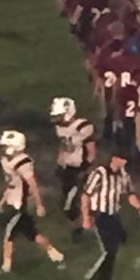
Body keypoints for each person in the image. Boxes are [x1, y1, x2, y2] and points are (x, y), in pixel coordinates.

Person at [0, 130, 64, 275]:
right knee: (33, 234)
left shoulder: (22, 162)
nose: (2, 148)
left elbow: (32, 184)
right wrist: (3, 199)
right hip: (15, 200)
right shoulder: (7, 160)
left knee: (9, 234)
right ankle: (57, 256)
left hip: (22, 204)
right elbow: (11, 183)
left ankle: (6, 267)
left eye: (5, 145)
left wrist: (39, 204)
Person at [81, 149, 140, 280]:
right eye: (122, 159)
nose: (125, 163)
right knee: (108, 250)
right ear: (114, 158)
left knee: (116, 247)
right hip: (100, 215)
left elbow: (130, 194)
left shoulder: (124, 175)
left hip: (113, 215)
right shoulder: (100, 173)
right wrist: (86, 216)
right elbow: (86, 195)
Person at [49, 96, 96, 241]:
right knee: (67, 203)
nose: (57, 119)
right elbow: (63, 146)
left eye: (59, 115)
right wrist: (59, 162)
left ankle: (83, 227)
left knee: (71, 203)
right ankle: (81, 225)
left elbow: (91, 150)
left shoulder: (83, 126)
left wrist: (86, 168)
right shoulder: (60, 128)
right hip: (67, 168)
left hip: (80, 168)